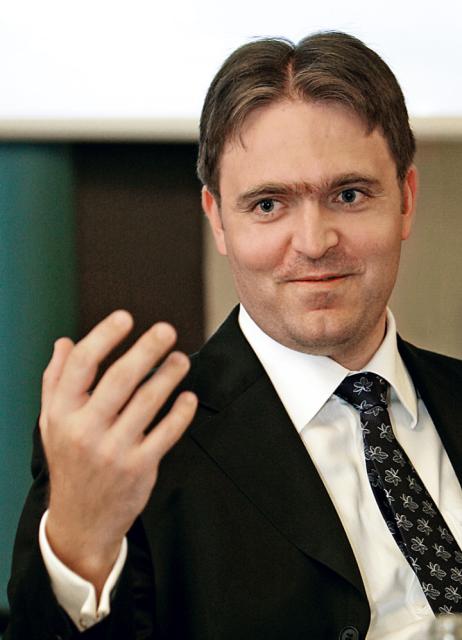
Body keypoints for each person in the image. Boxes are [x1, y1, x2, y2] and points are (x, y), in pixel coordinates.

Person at [5, 31, 462, 640]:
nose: (314, 242)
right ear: (218, 219)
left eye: (349, 195)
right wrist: (80, 546)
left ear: (405, 199)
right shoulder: (135, 443)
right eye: (268, 205)